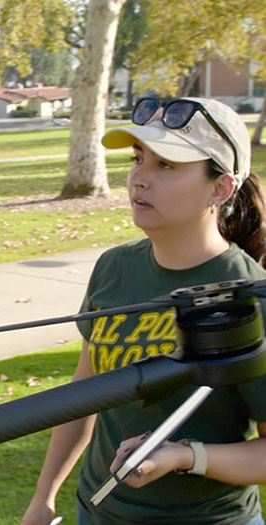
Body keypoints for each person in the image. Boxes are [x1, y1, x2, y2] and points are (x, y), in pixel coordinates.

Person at [21, 96, 266, 525]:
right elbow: (83, 395)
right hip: (98, 512)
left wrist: (185, 457)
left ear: (221, 187)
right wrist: (44, 497)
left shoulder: (250, 298)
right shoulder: (114, 268)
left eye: (166, 165)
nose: (138, 179)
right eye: (138, 159)